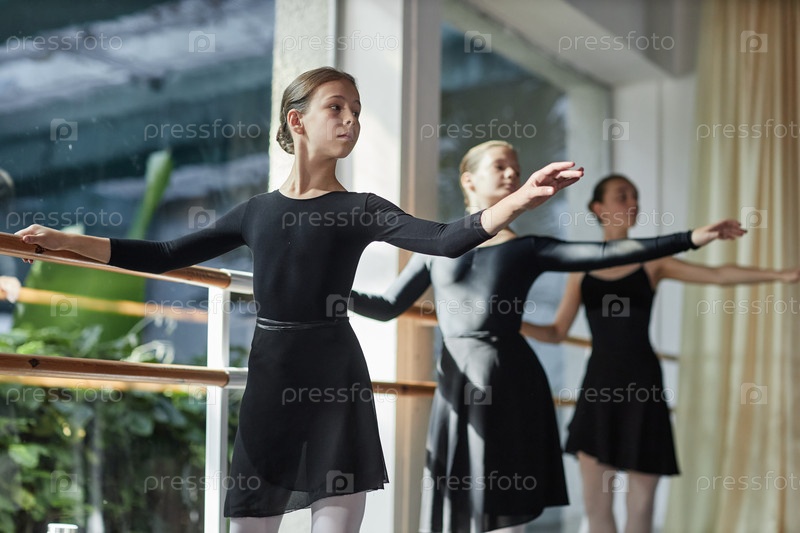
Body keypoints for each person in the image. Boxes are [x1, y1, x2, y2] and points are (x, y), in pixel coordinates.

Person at [16, 68, 584, 533]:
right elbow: (165, 253)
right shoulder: (257, 212)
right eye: (337, 107)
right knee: (250, 519)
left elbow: (443, 238)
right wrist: (68, 242)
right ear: (297, 119)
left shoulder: (361, 207)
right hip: (271, 376)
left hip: (335, 377)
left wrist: (521, 200)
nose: (351, 120)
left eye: (356, 110)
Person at [348, 141, 746, 533]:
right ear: (468, 180)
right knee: (458, 501)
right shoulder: (435, 246)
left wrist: (690, 238)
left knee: (506, 506)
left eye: (517, 170)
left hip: (511, 380)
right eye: (500, 166)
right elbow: (386, 307)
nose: (512, 174)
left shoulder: (528, 249)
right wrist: (332, 292)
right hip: (456, 381)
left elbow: (609, 254)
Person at [524, 174, 799, 533]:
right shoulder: (580, 269)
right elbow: (557, 331)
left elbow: (717, 275)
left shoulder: (653, 262)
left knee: (641, 509)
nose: (632, 203)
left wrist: (780, 274)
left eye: (635, 196)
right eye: (622, 196)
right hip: (599, 389)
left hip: (643, 387)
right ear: (598, 208)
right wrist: (512, 323)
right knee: (596, 509)